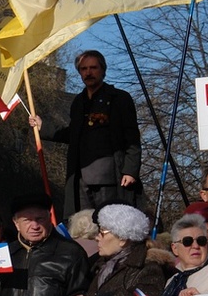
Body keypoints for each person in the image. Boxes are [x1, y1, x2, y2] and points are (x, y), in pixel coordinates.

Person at [31, 50, 143, 215]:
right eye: (84, 69)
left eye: (93, 68)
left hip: (110, 178)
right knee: (83, 223)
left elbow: (131, 137)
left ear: (103, 70)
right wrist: (43, 127)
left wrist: (130, 170)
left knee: (109, 221)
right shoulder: (78, 101)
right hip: (81, 179)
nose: (88, 73)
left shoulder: (119, 98)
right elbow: (73, 134)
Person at [0, 193, 90, 296]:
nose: (35, 226)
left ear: (49, 219)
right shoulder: (5, 254)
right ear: (16, 223)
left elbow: (81, 292)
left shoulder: (71, 253)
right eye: (27, 220)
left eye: (40, 219)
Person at [88, 204, 168, 296]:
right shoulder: (100, 265)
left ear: (122, 239)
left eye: (102, 232)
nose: (97, 238)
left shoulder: (148, 267)